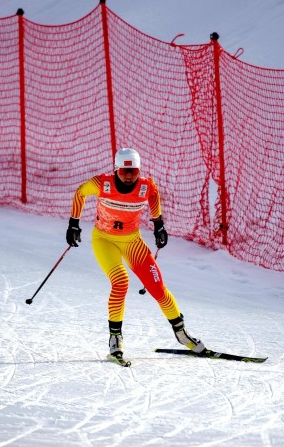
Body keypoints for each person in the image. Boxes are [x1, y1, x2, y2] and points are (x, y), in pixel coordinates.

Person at [66, 148, 206, 362]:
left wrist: (159, 225)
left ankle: (181, 334)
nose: (130, 176)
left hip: (132, 242)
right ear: (116, 169)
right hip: (105, 240)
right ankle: (115, 338)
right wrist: (73, 224)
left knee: (158, 288)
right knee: (121, 282)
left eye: (134, 171)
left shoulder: (146, 186)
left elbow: (153, 196)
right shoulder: (101, 183)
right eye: (124, 171)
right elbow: (80, 192)